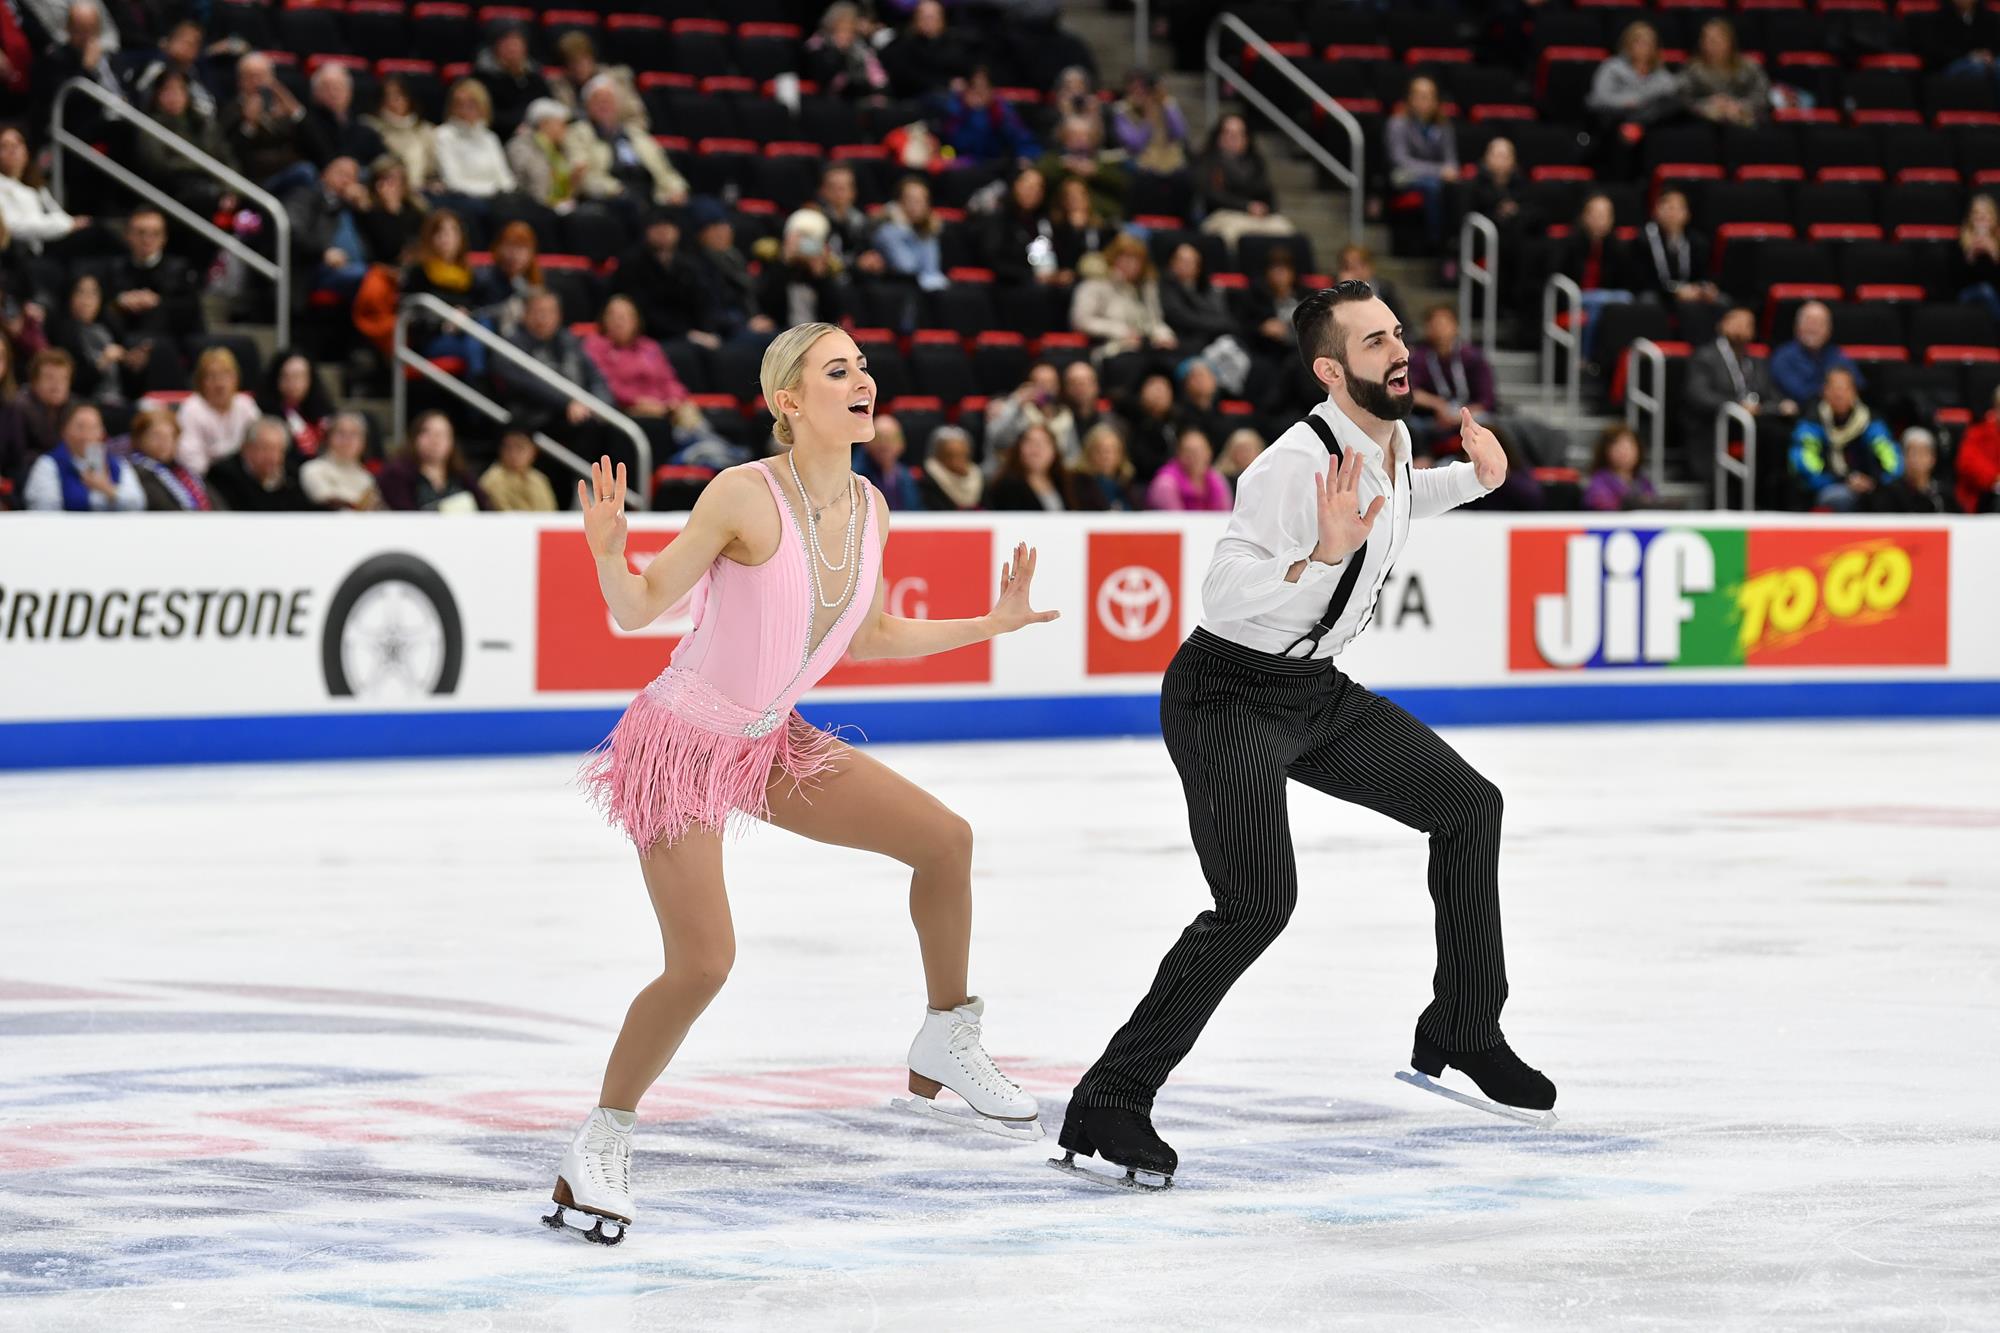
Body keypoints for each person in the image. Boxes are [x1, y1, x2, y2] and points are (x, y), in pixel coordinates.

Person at [550, 322, 1058, 1240]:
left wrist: (992, 623)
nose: (863, 378)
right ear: (790, 401)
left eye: (864, 365)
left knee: (945, 841)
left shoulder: (871, 506)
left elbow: (866, 636)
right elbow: (635, 610)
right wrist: (605, 547)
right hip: (679, 743)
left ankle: (948, 1028)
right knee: (703, 962)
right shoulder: (741, 496)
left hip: (768, 740)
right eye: (838, 370)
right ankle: (602, 1135)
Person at [1055, 280, 1551, 1191]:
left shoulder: (1391, 439)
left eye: (1398, 332)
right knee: (1256, 903)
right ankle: (1111, 1097)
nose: (1399, 351)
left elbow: (1398, 503)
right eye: (1375, 343)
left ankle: (1466, 1026)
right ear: (1331, 368)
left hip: (1314, 691)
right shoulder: (1293, 464)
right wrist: (1318, 558)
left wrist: (1473, 481)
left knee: (1470, 808)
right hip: (1226, 696)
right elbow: (1223, 591)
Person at [583, 295, 732, 469]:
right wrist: (637, 401)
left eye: (625, 316)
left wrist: (674, 399)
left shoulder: (649, 346)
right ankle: (709, 452)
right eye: (614, 316)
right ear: (604, 319)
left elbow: (669, 380)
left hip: (665, 408)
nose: (619, 322)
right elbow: (605, 384)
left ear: (636, 320)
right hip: (630, 409)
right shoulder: (596, 346)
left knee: (687, 409)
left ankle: (704, 451)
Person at [1684, 304, 1793, 485]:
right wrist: (1737, 405)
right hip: (1717, 424)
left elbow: (1769, 393)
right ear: (1722, 325)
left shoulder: (1755, 361)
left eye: (1749, 324)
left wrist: (1782, 404)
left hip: (1754, 424)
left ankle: (1772, 495)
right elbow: (1698, 395)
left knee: (1782, 433)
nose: (1743, 327)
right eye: (1738, 321)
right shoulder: (1705, 357)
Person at [1071, 233, 1176, 386]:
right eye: (1125, 258)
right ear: (1113, 258)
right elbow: (1081, 320)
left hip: (1144, 349)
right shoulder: (1096, 284)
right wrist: (1122, 331)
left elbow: (1155, 321)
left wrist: (1163, 335)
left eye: (1136, 259)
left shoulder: (1146, 288)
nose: (1131, 264)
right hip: (1110, 350)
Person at [1789, 368, 1898, 511]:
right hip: (1828, 486)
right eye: (1834, 389)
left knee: (1889, 495)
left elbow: (1893, 463)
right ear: (1824, 392)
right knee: (1840, 498)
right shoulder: (1811, 423)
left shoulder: (1871, 422)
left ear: (1854, 392)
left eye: (1845, 389)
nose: (1839, 394)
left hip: (1871, 485)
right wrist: (1843, 480)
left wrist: (1874, 482)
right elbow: (1806, 468)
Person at [570, 75, 687, 208]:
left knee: (704, 207)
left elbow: (665, 170)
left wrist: (677, 189)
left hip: (650, 193)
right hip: (612, 196)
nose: (604, 104)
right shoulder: (579, 133)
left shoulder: (636, 134)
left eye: (608, 100)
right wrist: (615, 190)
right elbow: (583, 174)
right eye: (598, 100)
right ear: (588, 106)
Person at [1194, 113, 1295, 247]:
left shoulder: (1256, 162)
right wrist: (1246, 206)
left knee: (1285, 229)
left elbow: (1267, 192)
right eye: (1228, 133)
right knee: (1231, 233)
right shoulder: (1207, 161)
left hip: (1256, 217)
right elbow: (1212, 195)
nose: (1233, 138)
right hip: (1222, 215)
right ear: (1218, 136)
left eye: (1239, 134)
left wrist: (1265, 209)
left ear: (1247, 138)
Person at [22, 400, 143, 511]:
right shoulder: (48, 464)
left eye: (93, 427)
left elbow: (138, 503)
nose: (86, 434)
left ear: (102, 433)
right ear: (64, 430)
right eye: (80, 427)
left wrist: (107, 489)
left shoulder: (118, 464)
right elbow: (44, 509)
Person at [613, 210, 712, 346]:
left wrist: (706, 331)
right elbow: (640, 310)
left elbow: (703, 301)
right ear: (647, 231)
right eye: (657, 226)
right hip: (652, 335)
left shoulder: (689, 264)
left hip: (692, 334)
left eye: (668, 226)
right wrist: (684, 334)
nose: (663, 231)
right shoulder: (631, 264)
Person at [1561, 193, 1635, 367]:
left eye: (1605, 215)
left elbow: (1626, 282)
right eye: (1595, 214)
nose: (1599, 220)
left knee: (1608, 305)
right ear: (1584, 216)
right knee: (1609, 301)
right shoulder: (1570, 244)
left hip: (1604, 301)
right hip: (1574, 297)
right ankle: (1586, 357)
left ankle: (1591, 359)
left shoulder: (1617, 247)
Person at [1386, 77, 1457, 255]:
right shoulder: (1397, 123)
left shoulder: (1443, 126)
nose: (1425, 101)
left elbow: (1451, 159)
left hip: (1436, 178)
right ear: (1410, 98)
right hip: (1403, 177)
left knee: (1458, 188)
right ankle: (1436, 241)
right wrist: (1439, 171)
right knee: (1433, 186)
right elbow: (1400, 160)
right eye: (1420, 95)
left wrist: (1450, 170)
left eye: (1430, 96)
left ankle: (1455, 240)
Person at [288, 155, 374, 300]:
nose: (346, 181)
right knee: (371, 279)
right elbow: (294, 232)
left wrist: (365, 210)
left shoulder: (354, 207)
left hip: (356, 267)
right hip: (317, 269)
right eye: (341, 173)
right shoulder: (306, 196)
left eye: (351, 177)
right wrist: (323, 252)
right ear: (324, 174)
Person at [687, 199, 773, 341]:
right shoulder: (698, 266)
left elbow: (752, 295)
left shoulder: (735, 258)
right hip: (725, 331)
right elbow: (710, 310)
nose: (722, 232)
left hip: (750, 324)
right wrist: (746, 324)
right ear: (700, 234)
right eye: (714, 228)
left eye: (724, 226)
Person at [221, 52, 308, 190]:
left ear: (272, 79)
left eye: (261, 76)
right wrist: (249, 125)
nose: (256, 82)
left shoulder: (285, 107)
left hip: (291, 174)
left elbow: (312, 145)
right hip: (257, 182)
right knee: (305, 172)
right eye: (250, 77)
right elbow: (230, 153)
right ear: (240, 81)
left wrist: (295, 112)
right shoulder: (232, 110)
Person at [378, 410, 492, 512]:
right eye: (427, 433)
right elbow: (405, 516)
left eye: (442, 434)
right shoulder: (396, 474)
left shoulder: (462, 475)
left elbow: (486, 509)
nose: (435, 441)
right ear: (414, 438)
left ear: (452, 442)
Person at [0, 124, 86, 259]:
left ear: (26, 151)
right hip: (19, 255)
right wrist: (67, 225)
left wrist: (71, 224)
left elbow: (59, 214)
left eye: (17, 144)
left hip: (45, 245)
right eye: (5, 146)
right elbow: (13, 226)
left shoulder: (36, 185)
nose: (13, 150)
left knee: (93, 233)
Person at [176, 345, 261, 475]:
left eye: (226, 375)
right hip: (209, 479)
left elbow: (260, 446)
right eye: (212, 376)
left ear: (236, 378)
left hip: (246, 478)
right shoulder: (192, 409)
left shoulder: (246, 405)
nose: (220, 384)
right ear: (201, 381)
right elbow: (190, 460)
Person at [435, 79, 518, 204]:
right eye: (459, 104)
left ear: (483, 105)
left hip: (497, 199)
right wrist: (493, 190)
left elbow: (504, 177)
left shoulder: (490, 137)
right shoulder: (443, 135)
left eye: (471, 103)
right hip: (464, 200)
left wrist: (504, 191)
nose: (465, 109)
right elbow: (453, 182)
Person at [935, 67, 1039, 167]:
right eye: (974, 86)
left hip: (993, 166)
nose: (979, 93)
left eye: (984, 87)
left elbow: (1024, 140)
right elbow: (954, 142)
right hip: (960, 164)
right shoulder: (955, 107)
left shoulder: (1000, 109)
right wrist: (970, 112)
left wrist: (1026, 156)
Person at [205, 414, 311, 510]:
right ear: (247, 448)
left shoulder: (291, 477)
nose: (272, 457)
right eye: (265, 448)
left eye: (278, 450)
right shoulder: (223, 475)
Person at [1036, 114, 1127, 225]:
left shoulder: (1105, 160)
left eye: (1085, 135)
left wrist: (1096, 171)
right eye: (1074, 135)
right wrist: (1065, 166)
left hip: (1102, 219)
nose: (1080, 139)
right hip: (1059, 220)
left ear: (1093, 138)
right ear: (1064, 137)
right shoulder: (1054, 158)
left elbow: (1125, 184)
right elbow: (1039, 174)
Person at [1587, 21, 1679, 129]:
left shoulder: (1660, 73)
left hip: (1648, 123)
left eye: (1649, 43)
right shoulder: (1612, 67)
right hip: (1614, 119)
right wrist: (1630, 101)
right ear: (1628, 44)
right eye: (1639, 42)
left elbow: (1672, 91)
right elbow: (1599, 97)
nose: (1645, 47)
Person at [1635, 189, 1718, 307]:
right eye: (1668, 207)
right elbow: (1641, 280)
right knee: (1647, 299)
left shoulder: (1697, 241)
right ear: (1656, 211)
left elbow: (1703, 275)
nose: (1672, 213)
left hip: (1690, 292)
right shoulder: (1643, 239)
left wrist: (1704, 288)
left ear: (1688, 214)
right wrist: (1674, 292)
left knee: (1720, 300)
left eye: (1678, 208)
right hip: (1659, 294)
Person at [980, 168, 1061, 287]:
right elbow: (993, 260)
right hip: (1009, 286)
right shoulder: (999, 219)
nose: (1033, 192)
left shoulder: (1045, 221)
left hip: (1045, 282)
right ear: (1016, 186)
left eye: (1039, 188)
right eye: (1028, 186)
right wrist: (1030, 276)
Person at [1771, 301, 1861, 407]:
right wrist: (1834, 391)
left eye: (1819, 323)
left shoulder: (1837, 354)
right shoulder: (1783, 356)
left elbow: (1857, 384)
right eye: (1808, 322)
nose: (1813, 328)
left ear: (1829, 330)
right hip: (1797, 417)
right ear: (1796, 327)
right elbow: (1802, 394)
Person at [1680, 19, 1768, 127]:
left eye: (1715, 41)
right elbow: (1682, 99)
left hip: (1743, 121)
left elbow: (1762, 96)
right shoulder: (1691, 68)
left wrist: (1740, 106)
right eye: (1706, 40)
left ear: (1729, 42)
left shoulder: (1749, 67)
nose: (1710, 45)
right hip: (1703, 124)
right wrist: (1706, 105)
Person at [125, 406, 211, 511]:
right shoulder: (136, 471)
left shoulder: (183, 471)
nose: (165, 442)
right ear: (139, 439)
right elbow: (164, 508)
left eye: (171, 436)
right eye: (157, 436)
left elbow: (214, 503)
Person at [873, 176, 949, 295]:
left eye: (920, 200)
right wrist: (902, 226)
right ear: (898, 203)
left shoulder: (926, 231)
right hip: (894, 293)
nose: (916, 206)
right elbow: (907, 267)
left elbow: (931, 269)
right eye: (910, 200)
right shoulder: (886, 232)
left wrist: (927, 232)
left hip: (920, 294)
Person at [476, 22, 552, 141]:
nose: (512, 48)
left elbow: (548, 104)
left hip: (540, 132)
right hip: (504, 137)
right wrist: (516, 125)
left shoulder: (535, 76)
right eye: (506, 43)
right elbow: (486, 114)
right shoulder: (483, 77)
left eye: (516, 43)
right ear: (495, 47)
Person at [301, 62, 385, 168]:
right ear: (314, 93)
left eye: (338, 87)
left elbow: (385, 162)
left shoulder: (365, 129)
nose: (333, 93)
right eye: (326, 88)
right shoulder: (305, 126)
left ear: (350, 92)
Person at [881, 0, 970, 100]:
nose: (927, 22)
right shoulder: (903, 45)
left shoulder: (957, 43)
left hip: (955, 97)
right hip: (916, 99)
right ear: (915, 20)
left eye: (932, 17)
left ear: (942, 19)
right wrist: (946, 83)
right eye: (923, 17)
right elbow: (908, 78)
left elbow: (964, 69)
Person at [1113, 70, 1191, 182]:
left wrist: (1166, 103)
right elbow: (1135, 145)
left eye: (1143, 88)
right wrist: (1148, 120)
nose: (1139, 92)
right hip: (1141, 168)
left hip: (1171, 166)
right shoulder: (1122, 110)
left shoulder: (1165, 105)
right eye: (1134, 88)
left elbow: (1179, 133)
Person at [365, 77, 440, 192]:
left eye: (399, 95)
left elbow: (434, 172)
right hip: (387, 192)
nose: (394, 100)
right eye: (388, 96)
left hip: (422, 191)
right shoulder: (371, 127)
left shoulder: (426, 130)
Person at [804, 2, 890, 101]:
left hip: (855, 102)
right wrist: (838, 54)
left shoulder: (860, 49)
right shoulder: (818, 45)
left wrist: (879, 93)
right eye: (842, 29)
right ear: (832, 27)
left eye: (851, 30)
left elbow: (879, 80)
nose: (847, 35)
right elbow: (823, 80)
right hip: (822, 101)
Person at [1160, 242, 1238, 349]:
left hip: (1212, 336)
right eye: (1182, 261)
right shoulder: (1165, 285)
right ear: (1172, 263)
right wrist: (1220, 324)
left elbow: (1221, 312)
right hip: (1183, 339)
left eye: (1192, 262)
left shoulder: (1207, 285)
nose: (1186, 266)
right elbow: (1180, 316)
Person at [506, 99, 580, 211]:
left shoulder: (560, 149)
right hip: (530, 206)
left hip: (560, 206)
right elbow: (534, 182)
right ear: (544, 124)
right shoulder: (520, 146)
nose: (565, 129)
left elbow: (566, 190)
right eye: (561, 124)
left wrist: (574, 179)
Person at [257, 350, 333, 458]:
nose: (293, 383)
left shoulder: (322, 410)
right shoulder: (263, 411)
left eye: (299, 376)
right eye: (286, 377)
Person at [300, 410, 381, 510]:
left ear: (363, 442)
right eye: (341, 432)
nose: (347, 439)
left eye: (354, 433)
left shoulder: (367, 478)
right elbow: (326, 500)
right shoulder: (313, 469)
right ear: (329, 437)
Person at [984, 421, 1071, 511]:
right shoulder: (1005, 487)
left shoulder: (1065, 483)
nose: (1036, 448)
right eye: (1030, 442)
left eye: (1043, 443)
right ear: (1019, 449)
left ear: (1054, 451)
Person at [1146, 425, 1231, 512]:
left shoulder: (1217, 478)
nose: (1196, 457)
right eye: (1189, 451)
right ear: (1178, 453)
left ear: (1209, 452)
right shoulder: (1165, 484)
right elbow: (1176, 521)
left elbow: (1225, 515)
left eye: (1200, 450)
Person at [1870, 427, 1955, 513]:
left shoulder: (1942, 494)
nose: (1917, 459)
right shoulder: (1890, 493)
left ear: (1932, 458)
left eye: (1922, 453)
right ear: (1903, 457)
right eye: (1913, 453)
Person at [854, 410, 923, 510]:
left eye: (892, 438)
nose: (885, 445)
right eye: (879, 438)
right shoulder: (856, 476)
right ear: (866, 443)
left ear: (902, 444)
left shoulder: (906, 476)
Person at [479, 425, 558, 512]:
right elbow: (503, 515)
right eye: (508, 447)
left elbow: (551, 514)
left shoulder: (540, 479)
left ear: (533, 451)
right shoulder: (492, 480)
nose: (513, 453)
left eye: (520, 447)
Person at [1047, 176, 1112, 278]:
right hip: (1070, 277)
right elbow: (1062, 261)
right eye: (1070, 196)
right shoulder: (1057, 227)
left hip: (1099, 276)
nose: (1076, 199)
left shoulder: (1102, 226)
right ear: (1063, 201)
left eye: (1080, 194)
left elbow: (1107, 255)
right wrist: (1074, 231)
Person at [1583, 423, 1658, 511]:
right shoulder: (1598, 481)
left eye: (1629, 446)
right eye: (1619, 446)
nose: (1624, 452)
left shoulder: (1644, 482)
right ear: (1606, 451)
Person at [1953, 385, 2000, 513]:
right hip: (1981, 500)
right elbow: (1966, 463)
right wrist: (1995, 477)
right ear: (1996, 408)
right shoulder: (1978, 433)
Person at [1072, 422, 1137, 511]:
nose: (1105, 456)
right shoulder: (1079, 484)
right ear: (1089, 453)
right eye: (1099, 450)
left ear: (1120, 454)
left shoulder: (1126, 483)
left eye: (1111, 450)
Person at [1954, 194, 2000, 321]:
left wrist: (1994, 254)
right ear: (1970, 218)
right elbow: (1955, 282)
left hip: (1995, 294)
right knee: (1985, 290)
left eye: (1986, 213)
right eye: (1976, 213)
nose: (1981, 217)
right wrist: (1970, 256)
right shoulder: (1961, 242)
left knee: (1988, 290)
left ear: (1994, 217)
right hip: (1967, 293)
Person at [917, 424, 984, 510]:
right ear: (938, 456)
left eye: (961, 455)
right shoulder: (928, 481)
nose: (955, 462)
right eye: (949, 456)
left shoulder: (976, 475)